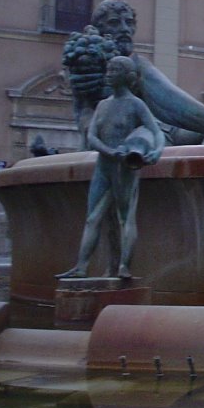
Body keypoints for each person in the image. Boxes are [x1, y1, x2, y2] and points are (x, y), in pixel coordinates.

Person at [67, 0, 204, 146]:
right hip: (134, 139)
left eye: (128, 22)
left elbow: (175, 106)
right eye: (115, 23)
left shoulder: (133, 62)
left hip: (168, 131)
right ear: (100, 28)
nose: (124, 29)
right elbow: (172, 102)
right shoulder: (90, 61)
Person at [56, 56, 165, 280]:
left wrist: (156, 151)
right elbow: (92, 136)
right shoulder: (103, 105)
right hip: (104, 166)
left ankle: (125, 266)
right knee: (92, 217)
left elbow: (156, 131)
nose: (108, 73)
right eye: (109, 69)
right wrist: (107, 151)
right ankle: (81, 267)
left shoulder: (136, 104)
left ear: (126, 77)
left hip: (125, 167)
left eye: (114, 70)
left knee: (126, 218)